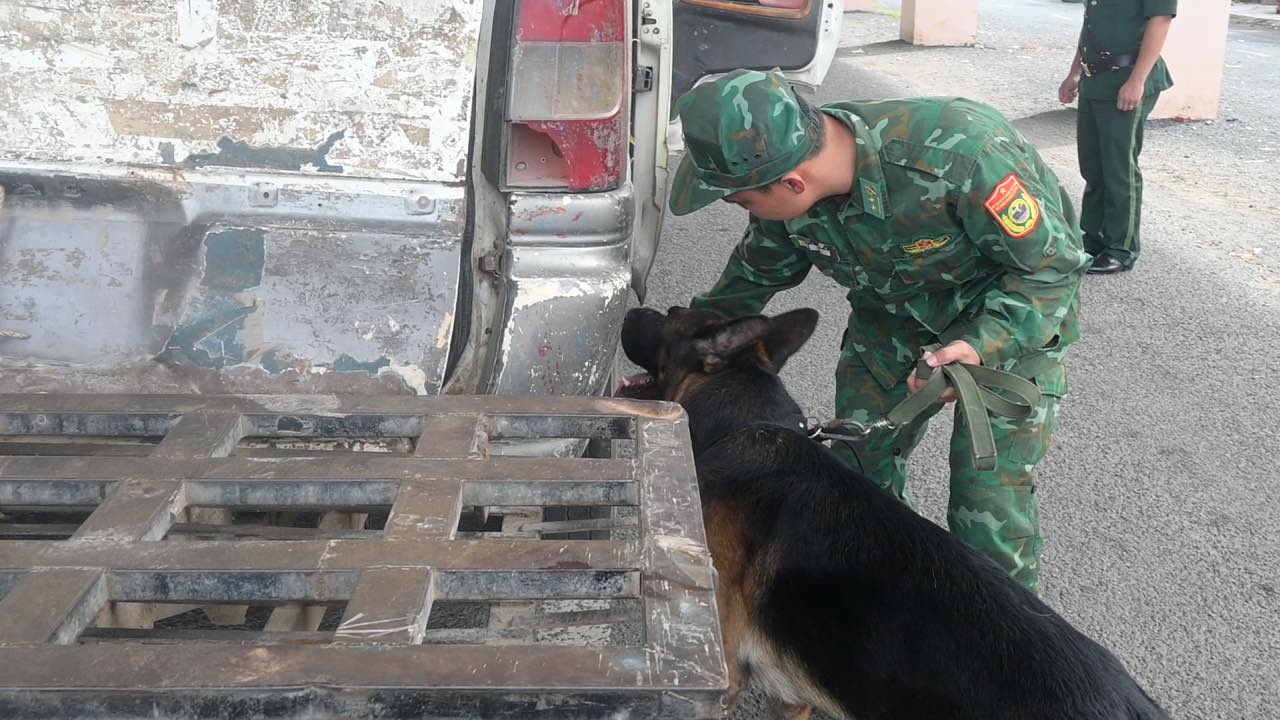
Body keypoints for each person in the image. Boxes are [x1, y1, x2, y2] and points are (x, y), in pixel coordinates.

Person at [670, 68, 1089, 592]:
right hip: (891, 319)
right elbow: (753, 276)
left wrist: (979, 345)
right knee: (859, 474)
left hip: (1010, 322)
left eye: (743, 201)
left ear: (793, 182)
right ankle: (897, 600)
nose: (745, 211)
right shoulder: (784, 184)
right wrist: (680, 343)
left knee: (987, 507)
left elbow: (1051, 270)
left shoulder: (963, 155)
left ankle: (1013, 635)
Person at [1059, 1, 1177, 274]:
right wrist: (1075, 73)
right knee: (1093, 166)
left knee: (1118, 168)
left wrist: (1137, 80)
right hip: (1094, 79)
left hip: (1126, 78)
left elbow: (1160, 20)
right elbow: (1091, 23)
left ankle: (1121, 248)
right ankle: (1094, 237)